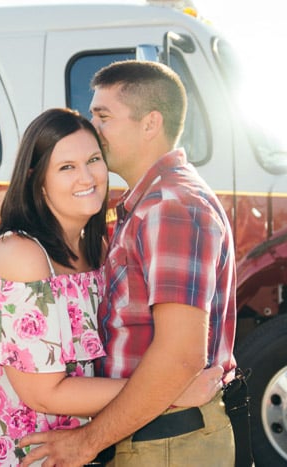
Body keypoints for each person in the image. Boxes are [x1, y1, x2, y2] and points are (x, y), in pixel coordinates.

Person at [0, 108, 222, 467]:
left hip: (69, 449)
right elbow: (44, 394)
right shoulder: (22, 254)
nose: (87, 177)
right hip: (10, 452)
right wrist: (172, 391)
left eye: (93, 160)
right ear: (35, 179)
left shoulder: (95, 250)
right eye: (66, 167)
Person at [20, 61, 238, 467]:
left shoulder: (169, 206)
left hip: (166, 441)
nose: (92, 130)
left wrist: (87, 442)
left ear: (150, 123)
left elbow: (180, 356)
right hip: (155, 431)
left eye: (103, 116)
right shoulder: (152, 202)